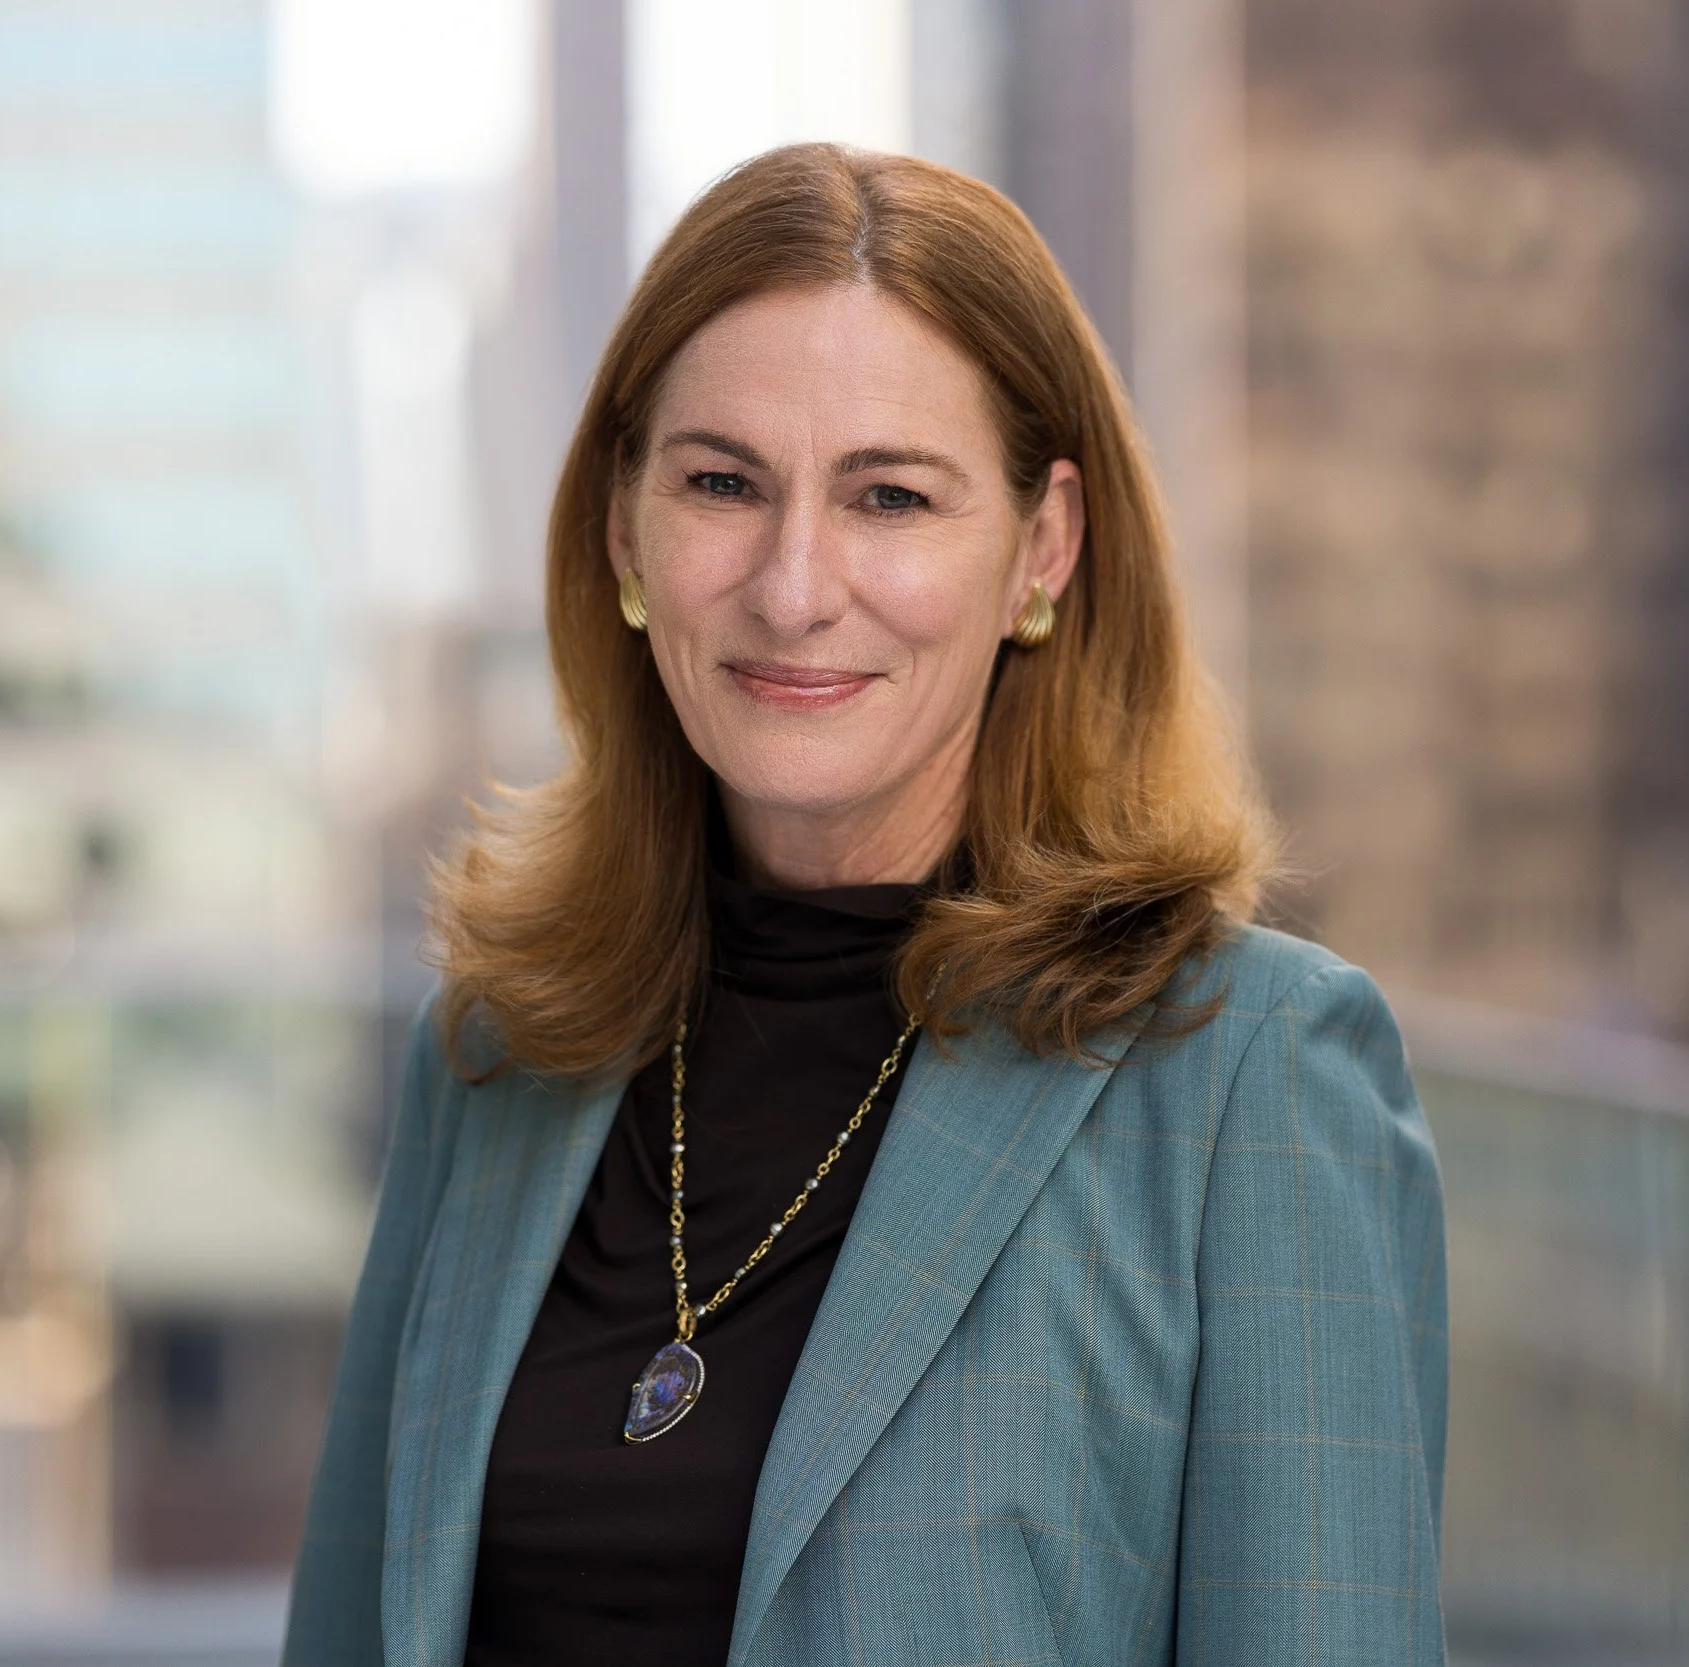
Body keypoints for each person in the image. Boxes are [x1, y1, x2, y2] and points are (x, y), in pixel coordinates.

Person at [284, 142, 1446, 1667]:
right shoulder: (500, 1049)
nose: (792, 585)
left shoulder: (1248, 1080)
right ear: (626, 529)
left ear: (1043, 548)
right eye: (722, 483)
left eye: (890, 496)